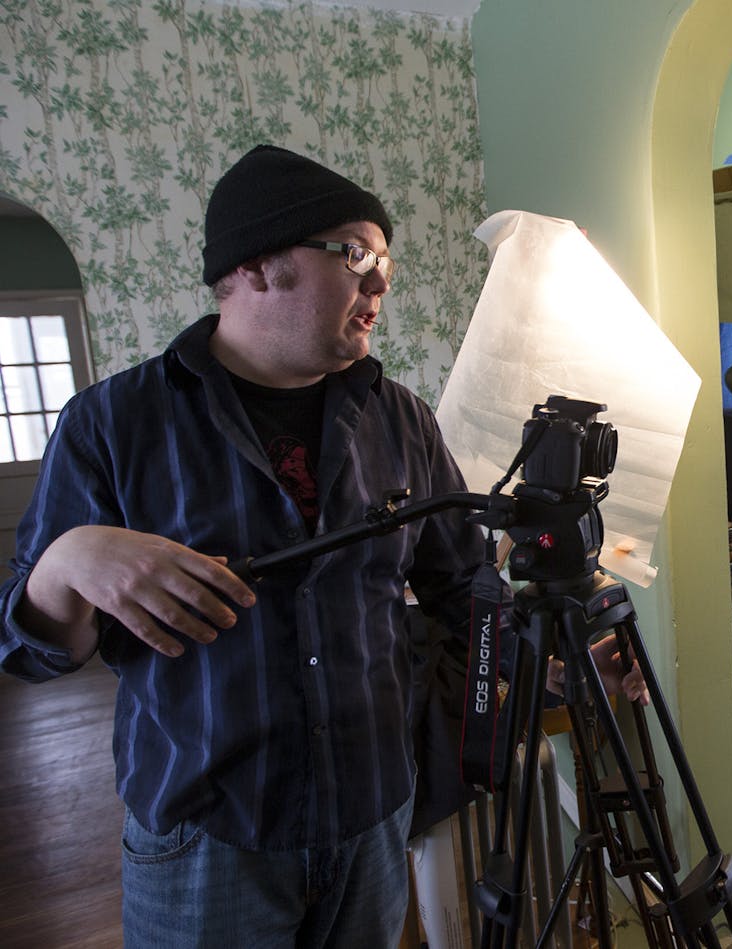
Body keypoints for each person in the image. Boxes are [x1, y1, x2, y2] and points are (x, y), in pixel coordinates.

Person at [0, 144, 645, 947]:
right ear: (260, 264)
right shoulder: (113, 423)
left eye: (385, 261)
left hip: (372, 817)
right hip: (209, 838)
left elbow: (464, 589)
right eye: (355, 254)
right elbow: (28, 651)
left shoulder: (399, 418)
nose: (381, 281)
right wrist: (70, 560)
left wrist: (564, 662)